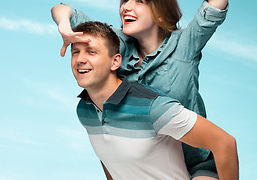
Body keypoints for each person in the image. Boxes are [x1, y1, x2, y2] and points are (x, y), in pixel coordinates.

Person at [51, 0, 230, 179]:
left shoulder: (184, 45)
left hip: (193, 162)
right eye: (125, 0)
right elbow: (62, 8)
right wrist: (64, 24)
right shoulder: (117, 43)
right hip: (146, 162)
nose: (126, 7)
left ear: (161, 14)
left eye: (139, 0)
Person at [70, 21, 238, 180]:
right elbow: (110, 158)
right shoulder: (84, 110)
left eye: (91, 52)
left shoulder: (152, 106)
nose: (80, 59)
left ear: (115, 62)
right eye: (75, 52)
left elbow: (225, 143)